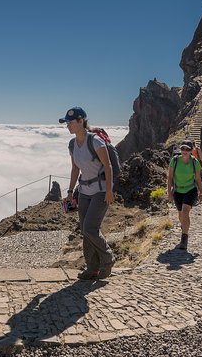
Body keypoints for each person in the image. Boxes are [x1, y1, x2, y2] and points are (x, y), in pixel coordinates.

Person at [60, 106, 115, 279]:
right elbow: (75, 169)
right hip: (83, 191)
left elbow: (108, 166)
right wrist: (70, 192)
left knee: (90, 228)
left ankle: (108, 258)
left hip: (100, 191)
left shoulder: (95, 141)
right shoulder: (72, 144)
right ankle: (92, 268)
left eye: (70, 122)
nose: (68, 125)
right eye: (66, 123)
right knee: (85, 230)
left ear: (81, 121)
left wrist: (109, 191)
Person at [167, 141, 202, 250]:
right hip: (178, 191)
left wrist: (201, 192)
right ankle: (184, 228)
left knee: (185, 212)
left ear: (191, 151)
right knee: (181, 215)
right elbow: (170, 177)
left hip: (190, 190)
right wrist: (169, 192)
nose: (185, 151)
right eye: (183, 149)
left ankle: (184, 239)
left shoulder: (194, 162)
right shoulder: (175, 161)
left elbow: (197, 178)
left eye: (187, 149)